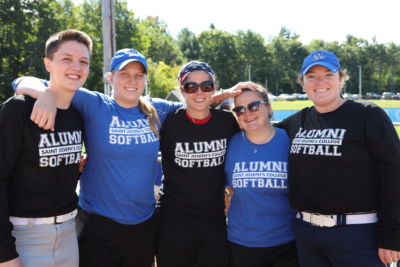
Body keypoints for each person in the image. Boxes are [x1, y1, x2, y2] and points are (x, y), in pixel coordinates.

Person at [13, 53, 247, 267]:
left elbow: (196, 102)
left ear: (145, 79)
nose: (132, 81)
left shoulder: (157, 109)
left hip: (143, 226)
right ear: (110, 77)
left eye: (138, 75)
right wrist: (45, 95)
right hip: (100, 225)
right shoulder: (95, 103)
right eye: (124, 74)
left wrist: (222, 95)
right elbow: (23, 81)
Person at [277, 50, 400, 266]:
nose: (320, 81)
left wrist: (392, 234)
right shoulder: (298, 121)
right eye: (311, 76)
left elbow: (394, 174)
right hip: (307, 235)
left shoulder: (367, 115)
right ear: (303, 83)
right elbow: (256, 130)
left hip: (358, 235)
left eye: (328, 74)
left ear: (340, 79)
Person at [0, 29, 92, 267]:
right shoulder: (18, 110)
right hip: (24, 237)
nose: (76, 66)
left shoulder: (78, 115)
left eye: (83, 61)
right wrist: (5, 253)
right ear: (48, 63)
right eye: (67, 59)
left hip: (69, 235)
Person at [157, 61, 257, 267]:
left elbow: (258, 135)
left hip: (214, 222)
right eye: (190, 87)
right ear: (181, 90)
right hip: (174, 222)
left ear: (214, 87)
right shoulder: (168, 121)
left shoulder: (227, 122)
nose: (199, 91)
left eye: (206, 85)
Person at [225, 86, 298, 267]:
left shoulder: (290, 141)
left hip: (286, 244)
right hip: (241, 244)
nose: (247, 113)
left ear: (269, 108)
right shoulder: (230, 144)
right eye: (239, 109)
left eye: (254, 106)